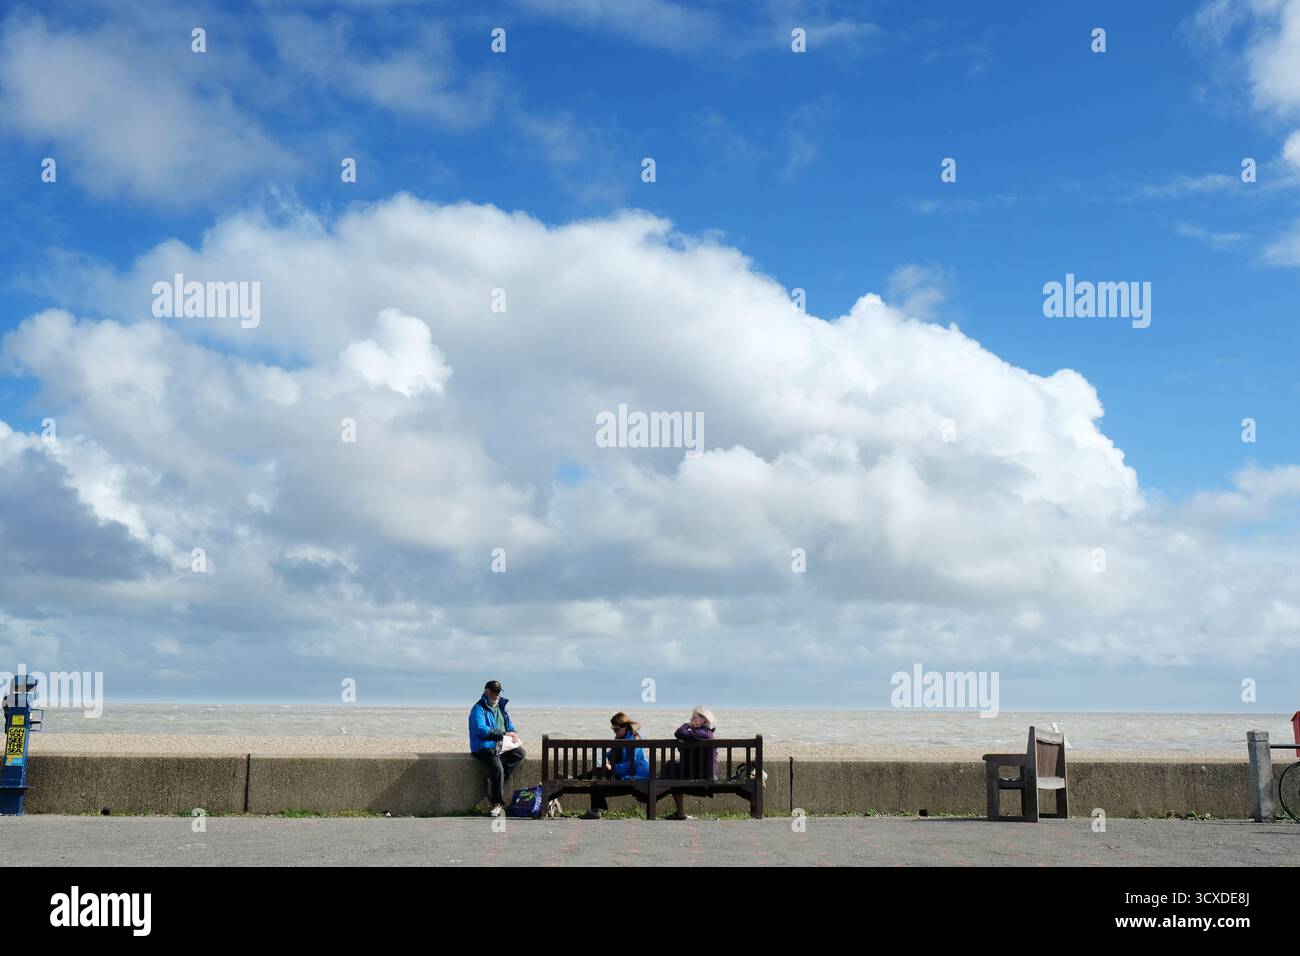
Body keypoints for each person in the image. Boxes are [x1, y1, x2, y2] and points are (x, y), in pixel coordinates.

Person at [468, 680, 525, 817]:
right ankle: (497, 803)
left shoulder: (501, 707)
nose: (497, 695)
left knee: (520, 753)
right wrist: (503, 734)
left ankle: (496, 780)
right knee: (497, 768)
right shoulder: (478, 708)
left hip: (499, 744)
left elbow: (509, 725)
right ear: (487, 692)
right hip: (483, 746)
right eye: (494, 692)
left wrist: (514, 733)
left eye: (498, 692)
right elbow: (481, 729)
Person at [580, 712, 649, 819]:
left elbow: (633, 763)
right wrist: (604, 760)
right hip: (624, 773)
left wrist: (613, 768)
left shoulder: (634, 739)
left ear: (625, 727)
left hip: (636, 775)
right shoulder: (620, 739)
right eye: (613, 729)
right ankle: (595, 809)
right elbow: (611, 754)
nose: (614, 731)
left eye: (616, 729)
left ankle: (595, 810)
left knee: (597, 782)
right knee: (596, 774)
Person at [658, 706, 717, 821]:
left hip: (701, 775)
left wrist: (687, 725)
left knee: (670, 770)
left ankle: (679, 811)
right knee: (671, 768)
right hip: (701, 772)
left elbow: (679, 732)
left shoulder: (701, 734)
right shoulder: (706, 733)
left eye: (694, 717)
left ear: (703, 719)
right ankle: (679, 812)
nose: (691, 719)